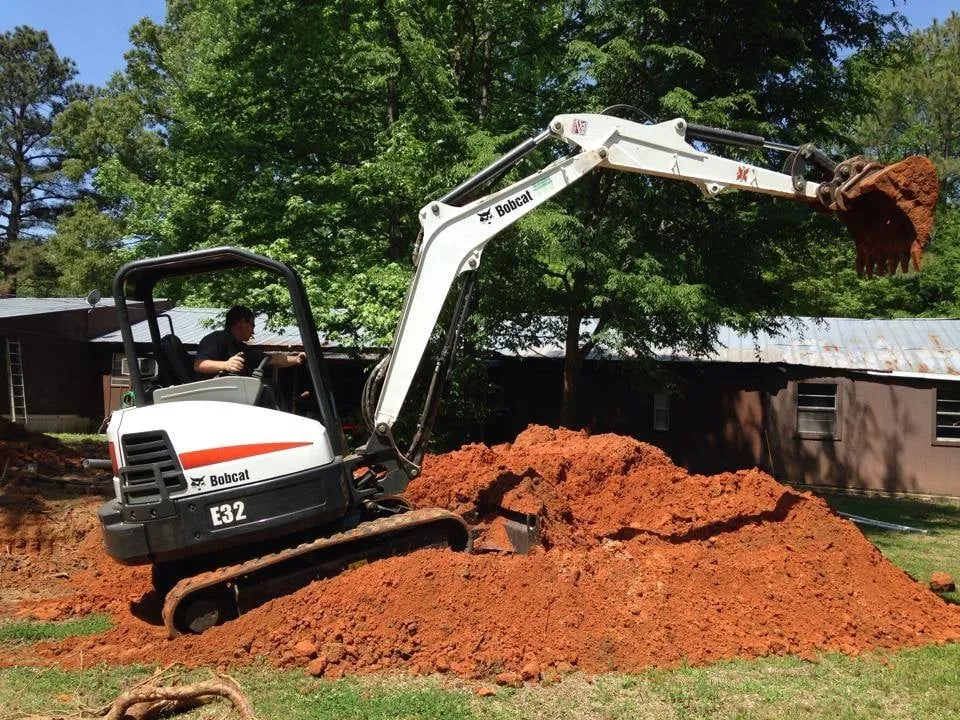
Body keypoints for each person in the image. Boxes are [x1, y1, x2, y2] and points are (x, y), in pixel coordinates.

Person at [193, 306, 306, 403]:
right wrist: (226, 365)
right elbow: (199, 364)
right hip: (211, 395)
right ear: (242, 322)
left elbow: (271, 359)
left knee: (270, 386)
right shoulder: (216, 339)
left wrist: (297, 359)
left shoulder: (241, 347)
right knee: (267, 390)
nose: (253, 331)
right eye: (252, 325)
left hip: (232, 392)